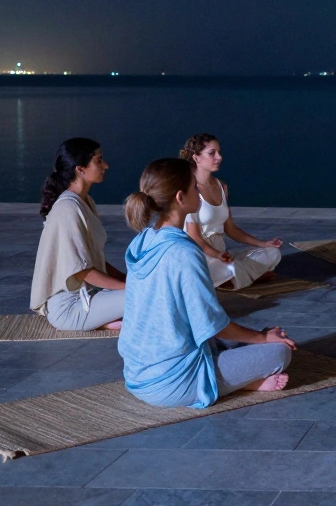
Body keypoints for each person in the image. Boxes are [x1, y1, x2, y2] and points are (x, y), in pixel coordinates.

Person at [119, 158, 297, 409]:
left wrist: (258, 337)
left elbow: (198, 323)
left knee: (250, 337)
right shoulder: (184, 252)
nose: (199, 193)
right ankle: (243, 382)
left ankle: (244, 368)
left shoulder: (142, 241)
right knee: (279, 352)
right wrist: (262, 339)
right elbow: (213, 326)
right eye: (195, 188)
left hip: (137, 375)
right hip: (172, 383)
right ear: (180, 198)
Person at [30, 138, 125, 331]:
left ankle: (106, 321)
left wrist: (127, 280)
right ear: (80, 169)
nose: (105, 165)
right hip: (70, 307)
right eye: (99, 161)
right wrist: (128, 288)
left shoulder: (84, 201)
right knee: (152, 296)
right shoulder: (68, 208)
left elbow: (92, 261)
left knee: (152, 292)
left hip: (89, 295)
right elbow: (82, 271)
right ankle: (103, 321)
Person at [181, 133, 282, 290]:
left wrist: (263, 243)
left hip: (221, 253)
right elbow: (194, 237)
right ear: (196, 158)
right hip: (201, 255)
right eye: (212, 153)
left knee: (272, 253)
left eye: (219, 152)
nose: (219, 157)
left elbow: (231, 229)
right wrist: (216, 255)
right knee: (227, 268)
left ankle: (234, 278)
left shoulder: (221, 187)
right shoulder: (188, 189)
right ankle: (247, 276)